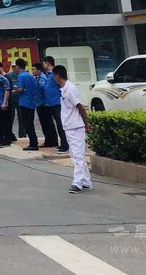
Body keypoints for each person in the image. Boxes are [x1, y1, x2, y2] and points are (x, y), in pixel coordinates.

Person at [53, 65, 92, 193]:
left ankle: (77, 183)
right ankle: (85, 181)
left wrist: (86, 124)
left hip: (76, 126)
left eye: (54, 76)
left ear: (57, 76)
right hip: (70, 126)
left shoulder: (70, 90)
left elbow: (80, 107)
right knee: (75, 154)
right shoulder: (64, 89)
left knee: (78, 155)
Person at [42, 56, 68, 152]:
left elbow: (62, 85)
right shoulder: (49, 74)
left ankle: (65, 144)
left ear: (47, 63)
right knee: (57, 124)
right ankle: (62, 143)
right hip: (50, 103)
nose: (43, 65)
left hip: (57, 102)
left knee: (60, 124)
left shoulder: (55, 74)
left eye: (44, 63)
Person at [13, 58, 40, 151]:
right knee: (30, 123)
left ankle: (33, 143)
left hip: (25, 102)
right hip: (31, 102)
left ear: (17, 66)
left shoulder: (21, 76)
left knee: (27, 124)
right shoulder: (29, 75)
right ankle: (34, 142)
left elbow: (20, 89)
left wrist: (15, 91)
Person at [33, 62, 58, 147]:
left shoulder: (41, 78)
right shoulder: (39, 77)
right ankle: (50, 140)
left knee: (46, 123)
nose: (32, 71)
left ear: (39, 70)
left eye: (34, 69)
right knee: (46, 123)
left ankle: (50, 141)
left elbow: (43, 88)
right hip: (40, 103)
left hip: (42, 104)